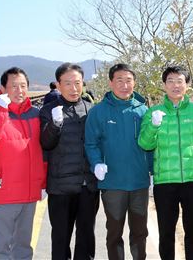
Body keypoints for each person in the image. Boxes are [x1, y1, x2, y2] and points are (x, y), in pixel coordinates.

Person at [138, 66, 193, 260]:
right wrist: (153, 126)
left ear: (187, 85)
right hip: (165, 182)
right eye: (171, 81)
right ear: (164, 85)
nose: (176, 85)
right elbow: (145, 143)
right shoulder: (153, 112)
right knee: (166, 232)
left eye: (180, 81)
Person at [84, 63, 152, 260]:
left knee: (140, 231)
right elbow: (91, 143)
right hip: (112, 182)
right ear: (110, 82)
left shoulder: (143, 111)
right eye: (119, 80)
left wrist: (153, 172)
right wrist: (96, 163)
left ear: (134, 83)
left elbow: (151, 144)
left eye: (128, 80)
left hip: (139, 182)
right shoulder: (99, 112)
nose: (124, 85)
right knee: (114, 232)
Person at [39, 63, 100, 260]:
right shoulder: (48, 111)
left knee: (86, 238)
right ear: (58, 85)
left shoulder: (92, 109)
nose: (74, 88)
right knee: (60, 239)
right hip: (60, 187)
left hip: (88, 186)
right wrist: (54, 125)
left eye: (78, 83)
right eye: (68, 83)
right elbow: (46, 144)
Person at [0, 67, 47, 259]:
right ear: (3, 89)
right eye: (13, 86)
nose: (19, 90)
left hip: (29, 193)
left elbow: (43, 150)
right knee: (1, 247)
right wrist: (0, 110)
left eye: (23, 85)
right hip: (2, 192)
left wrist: (43, 183)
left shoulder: (35, 114)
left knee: (23, 247)